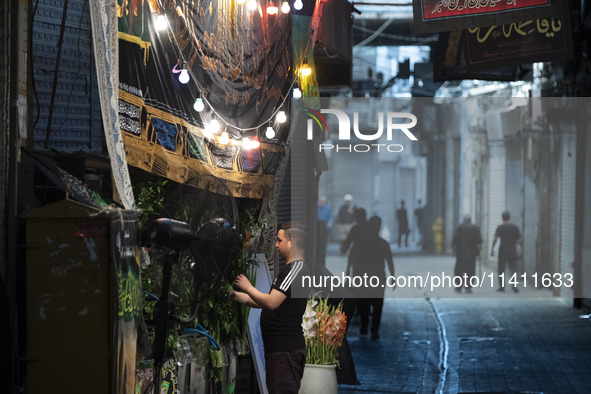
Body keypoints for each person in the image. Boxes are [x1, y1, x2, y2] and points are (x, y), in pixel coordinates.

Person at [231, 223, 308, 393]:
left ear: (291, 242)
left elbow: (271, 303)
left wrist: (248, 287)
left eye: (279, 240)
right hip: (278, 349)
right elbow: (264, 301)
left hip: (285, 350)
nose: (276, 244)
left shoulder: (295, 271)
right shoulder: (289, 270)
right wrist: (235, 295)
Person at [353, 216, 394, 339]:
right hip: (364, 277)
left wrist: (393, 276)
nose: (376, 227)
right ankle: (366, 326)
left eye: (378, 225)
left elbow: (389, 261)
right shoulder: (362, 243)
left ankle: (373, 328)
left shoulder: (382, 244)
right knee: (365, 303)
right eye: (375, 225)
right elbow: (354, 259)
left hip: (378, 277)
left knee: (377, 304)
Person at [491, 211, 521, 293]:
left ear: (502, 218)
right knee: (513, 268)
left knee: (501, 270)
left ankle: (502, 287)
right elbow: (519, 240)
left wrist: (492, 249)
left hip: (502, 251)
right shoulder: (515, 227)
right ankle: (514, 286)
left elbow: (495, 239)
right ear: (509, 217)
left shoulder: (500, 227)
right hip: (512, 251)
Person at [451, 215, 482, 293]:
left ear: (464, 220)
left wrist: (454, 250)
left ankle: (459, 286)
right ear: (470, 220)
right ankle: (468, 287)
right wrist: (478, 252)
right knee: (470, 271)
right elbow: (479, 242)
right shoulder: (475, 228)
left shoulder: (459, 227)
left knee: (458, 270)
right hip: (472, 254)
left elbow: (455, 239)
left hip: (460, 253)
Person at [316, 196, 333, 266]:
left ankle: (322, 262)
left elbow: (330, 219)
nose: (321, 203)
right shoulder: (316, 208)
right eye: (321, 201)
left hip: (324, 230)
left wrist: (328, 225)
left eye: (323, 201)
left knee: (323, 247)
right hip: (317, 230)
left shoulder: (328, 209)